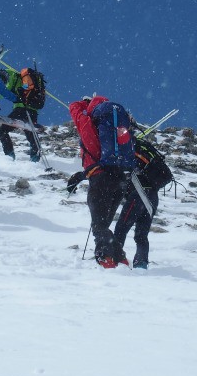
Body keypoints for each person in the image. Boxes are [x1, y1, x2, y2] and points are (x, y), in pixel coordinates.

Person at [66, 95, 135, 268]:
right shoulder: (114, 125)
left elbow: (73, 108)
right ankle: (120, 258)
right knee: (103, 224)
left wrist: (84, 103)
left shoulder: (89, 123)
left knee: (98, 225)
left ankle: (105, 259)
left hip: (100, 178)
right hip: (120, 177)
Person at [112, 136, 171, 269]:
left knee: (121, 228)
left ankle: (115, 258)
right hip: (152, 197)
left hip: (138, 194)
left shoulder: (128, 154)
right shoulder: (145, 156)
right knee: (141, 234)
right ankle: (141, 264)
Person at [0, 68, 42, 162]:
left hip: (21, 109)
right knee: (31, 133)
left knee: (3, 131)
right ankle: (35, 159)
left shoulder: (12, 76)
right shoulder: (31, 82)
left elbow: (4, 91)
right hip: (33, 110)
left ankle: (9, 156)